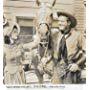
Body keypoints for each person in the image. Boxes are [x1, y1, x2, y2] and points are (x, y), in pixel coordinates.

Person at [51, 12, 86, 84]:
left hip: (71, 71)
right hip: (57, 71)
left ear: (69, 22)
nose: (59, 23)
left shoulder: (78, 35)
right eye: (58, 21)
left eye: (62, 21)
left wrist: (77, 64)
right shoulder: (56, 35)